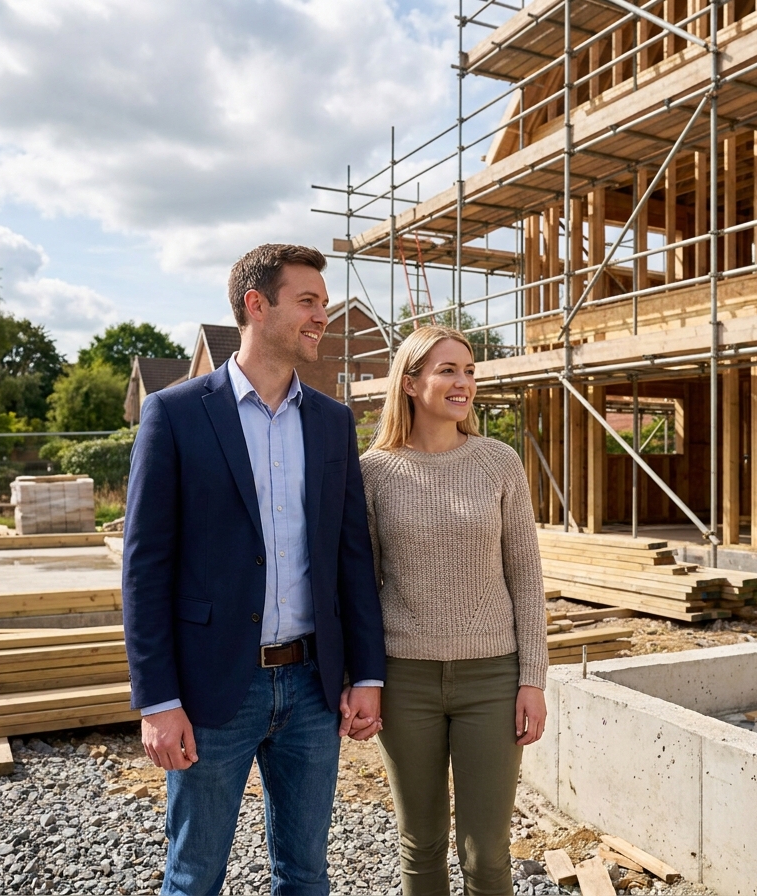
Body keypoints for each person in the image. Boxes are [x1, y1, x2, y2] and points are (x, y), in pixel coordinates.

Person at [121, 243, 386, 896]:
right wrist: (158, 701)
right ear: (256, 305)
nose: (322, 316)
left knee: (306, 874)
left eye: (324, 303)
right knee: (193, 876)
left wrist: (367, 674)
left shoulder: (332, 422)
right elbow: (145, 568)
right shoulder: (175, 414)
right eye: (308, 301)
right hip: (213, 690)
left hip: (312, 689)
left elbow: (353, 557)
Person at [360, 325, 549, 896]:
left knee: (486, 853)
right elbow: (362, 587)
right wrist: (360, 679)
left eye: (469, 371)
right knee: (420, 846)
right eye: (447, 370)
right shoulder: (373, 471)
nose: (463, 382)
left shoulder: (499, 462)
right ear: (410, 382)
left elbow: (526, 577)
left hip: (493, 678)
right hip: (404, 680)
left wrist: (533, 679)